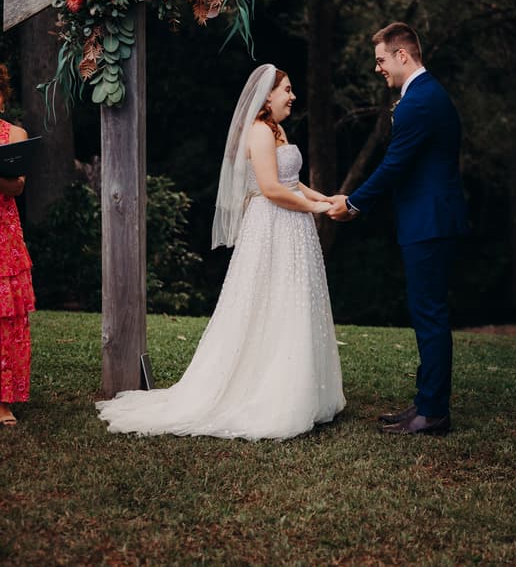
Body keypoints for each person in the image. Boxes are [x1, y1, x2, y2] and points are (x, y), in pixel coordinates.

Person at [97, 64, 345, 439]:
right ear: (268, 96)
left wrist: (321, 197)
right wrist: (315, 209)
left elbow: (292, 182)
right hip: (273, 224)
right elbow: (271, 189)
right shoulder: (260, 132)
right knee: (267, 301)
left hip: (294, 224)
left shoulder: (278, 129)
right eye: (288, 90)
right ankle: (269, 393)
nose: (293, 96)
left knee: (292, 300)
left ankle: (302, 390)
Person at [328, 23, 468, 436]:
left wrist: (353, 203)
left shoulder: (418, 103)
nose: (378, 69)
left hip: (429, 223)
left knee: (429, 315)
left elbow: (393, 166)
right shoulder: (425, 96)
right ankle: (425, 404)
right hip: (429, 220)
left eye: (381, 60)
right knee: (426, 313)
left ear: (402, 56)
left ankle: (434, 412)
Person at [0, 64, 36, 427]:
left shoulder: (14, 134)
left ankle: (2, 402)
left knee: (6, 320)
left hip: (2, 237)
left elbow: (16, 187)